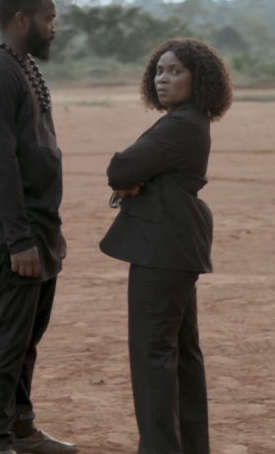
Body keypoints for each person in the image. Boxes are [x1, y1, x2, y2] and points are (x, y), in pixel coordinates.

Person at [100, 38, 233, 454]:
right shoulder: (189, 120)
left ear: (199, 79)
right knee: (181, 355)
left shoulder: (180, 125)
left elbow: (121, 167)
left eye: (176, 71)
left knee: (152, 356)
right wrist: (138, 177)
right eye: (159, 70)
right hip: (175, 246)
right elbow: (132, 171)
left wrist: (133, 178)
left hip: (162, 248)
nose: (163, 78)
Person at [0, 0, 76, 454]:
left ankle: (22, 430)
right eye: (48, 19)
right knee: (7, 337)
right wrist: (19, 239)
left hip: (38, 229)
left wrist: (45, 233)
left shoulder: (21, 66)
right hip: (12, 234)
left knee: (28, 336)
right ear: (21, 19)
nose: (53, 28)